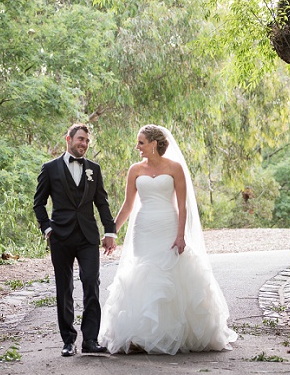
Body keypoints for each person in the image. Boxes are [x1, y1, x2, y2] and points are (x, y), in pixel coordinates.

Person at [99, 124, 238, 354]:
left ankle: (172, 334)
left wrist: (181, 235)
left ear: (154, 144)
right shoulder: (135, 170)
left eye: (141, 142)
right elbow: (127, 206)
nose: (138, 147)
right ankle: (141, 335)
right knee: (144, 274)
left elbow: (182, 206)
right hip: (144, 228)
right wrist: (111, 232)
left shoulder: (175, 168)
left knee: (170, 275)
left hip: (168, 225)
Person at [33, 123, 117, 357]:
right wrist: (47, 228)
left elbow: (102, 202)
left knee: (91, 283)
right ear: (68, 139)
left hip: (88, 236)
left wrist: (110, 232)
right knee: (64, 288)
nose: (84, 144)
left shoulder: (94, 169)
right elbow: (38, 203)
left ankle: (90, 339)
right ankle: (68, 340)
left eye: (87, 141)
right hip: (60, 236)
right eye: (80, 139)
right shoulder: (50, 168)